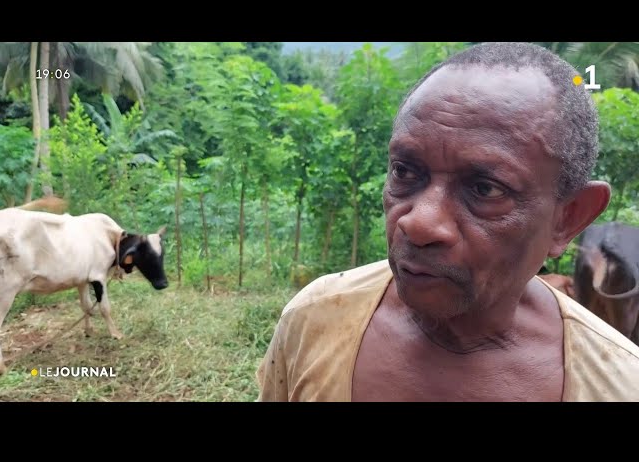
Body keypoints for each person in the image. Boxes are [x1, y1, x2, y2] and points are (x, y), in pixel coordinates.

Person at [256, 42, 639, 402]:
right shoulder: (316, 318)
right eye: (405, 171)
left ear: (568, 218)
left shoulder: (619, 382)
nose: (418, 224)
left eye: (485, 189)